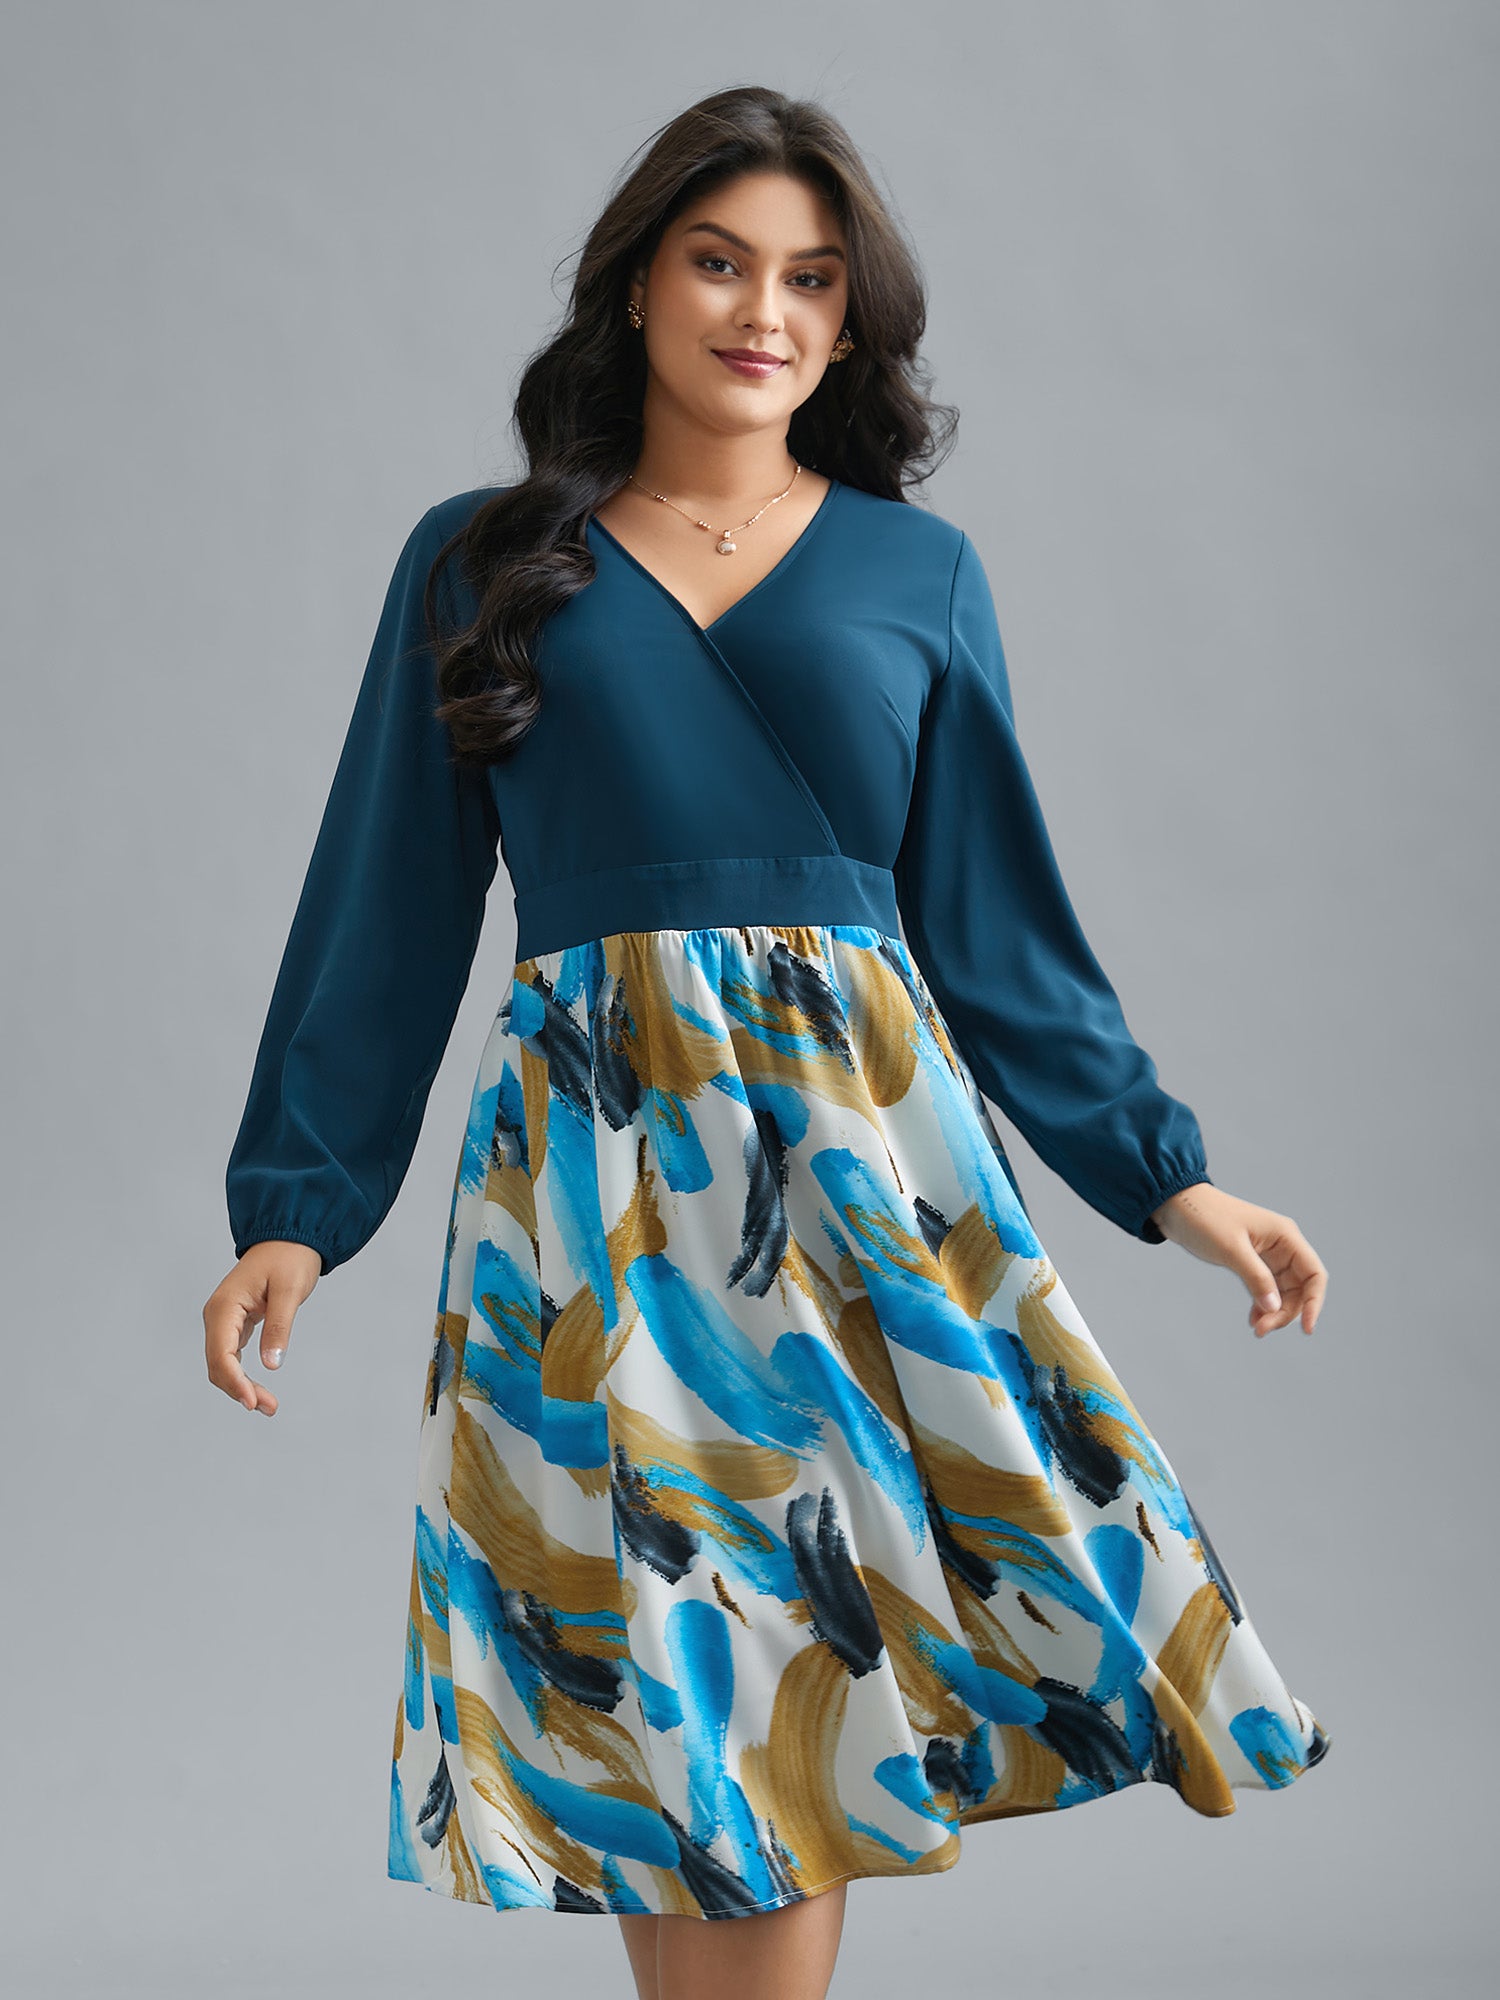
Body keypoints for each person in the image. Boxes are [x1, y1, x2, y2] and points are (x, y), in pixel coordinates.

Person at [203, 84, 1330, 2000]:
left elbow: (998, 933)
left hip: (866, 1180)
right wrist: (296, 1210)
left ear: (851, 319)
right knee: (672, 1682)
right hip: (600, 1183)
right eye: (721, 263)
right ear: (638, 285)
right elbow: (382, 903)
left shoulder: (916, 573)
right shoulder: (479, 560)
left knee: (806, 1666)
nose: (766, 312)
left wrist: (1171, 1178)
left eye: (812, 279)